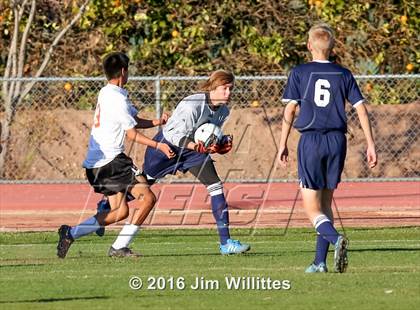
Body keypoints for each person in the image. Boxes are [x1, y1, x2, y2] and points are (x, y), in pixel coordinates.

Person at [96, 70, 251, 255]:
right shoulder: (193, 104)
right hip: (165, 148)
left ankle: (226, 244)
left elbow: (207, 133)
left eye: (231, 89)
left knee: (216, 186)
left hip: (193, 153)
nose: (228, 93)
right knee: (145, 187)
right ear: (213, 87)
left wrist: (218, 144)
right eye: (224, 88)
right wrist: (196, 146)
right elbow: (174, 134)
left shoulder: (224, 111)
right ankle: (107, 205)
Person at [56, 52, 175, 258]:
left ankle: (70, 233)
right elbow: (132, 134)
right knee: (147, 198)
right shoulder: (117, 99)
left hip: (95, 165)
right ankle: (119, 247)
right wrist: (159, 146)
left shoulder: (107, 93)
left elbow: (133, 120)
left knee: (120, 212)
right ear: (123, 71)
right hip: (112, 162)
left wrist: (157, 122)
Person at [279, 24, 377, 273]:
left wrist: (282, 144)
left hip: (311, 141)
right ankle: (319, 262)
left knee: (312, 208)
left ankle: (336, 239)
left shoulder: (300, 72)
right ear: (332, 48)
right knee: (326, 205)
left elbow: (290, 109)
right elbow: (360, 109)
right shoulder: (343, 74)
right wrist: (370, 143)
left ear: (309, 45)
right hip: (337, 141)